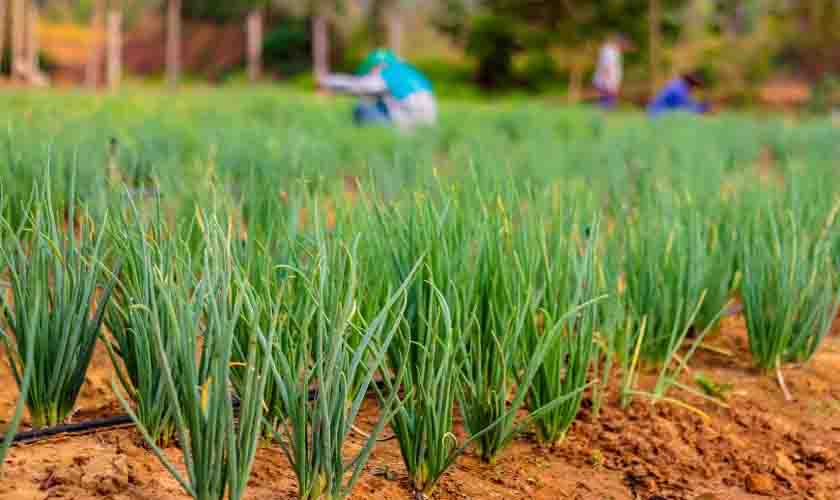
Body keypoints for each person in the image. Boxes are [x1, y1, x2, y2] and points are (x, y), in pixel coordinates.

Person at [318, 49, 437, 129]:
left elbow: (358, 86)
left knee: (362, 108)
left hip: (407, 123)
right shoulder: (409, 71)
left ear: (377, 66)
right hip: (428, 122)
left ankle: (368, 136)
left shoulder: (388, 72)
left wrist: (326, 81)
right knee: (378, 100)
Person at [593, 34, 632, 109]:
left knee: (608, 102)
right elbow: (606, 67)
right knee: (607, 103)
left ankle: (600, 112)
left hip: (609, 82)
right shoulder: (609, 52)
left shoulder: (615, 52)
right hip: (606, 82)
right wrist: (609, 84)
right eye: (624, 45)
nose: (625, 48)